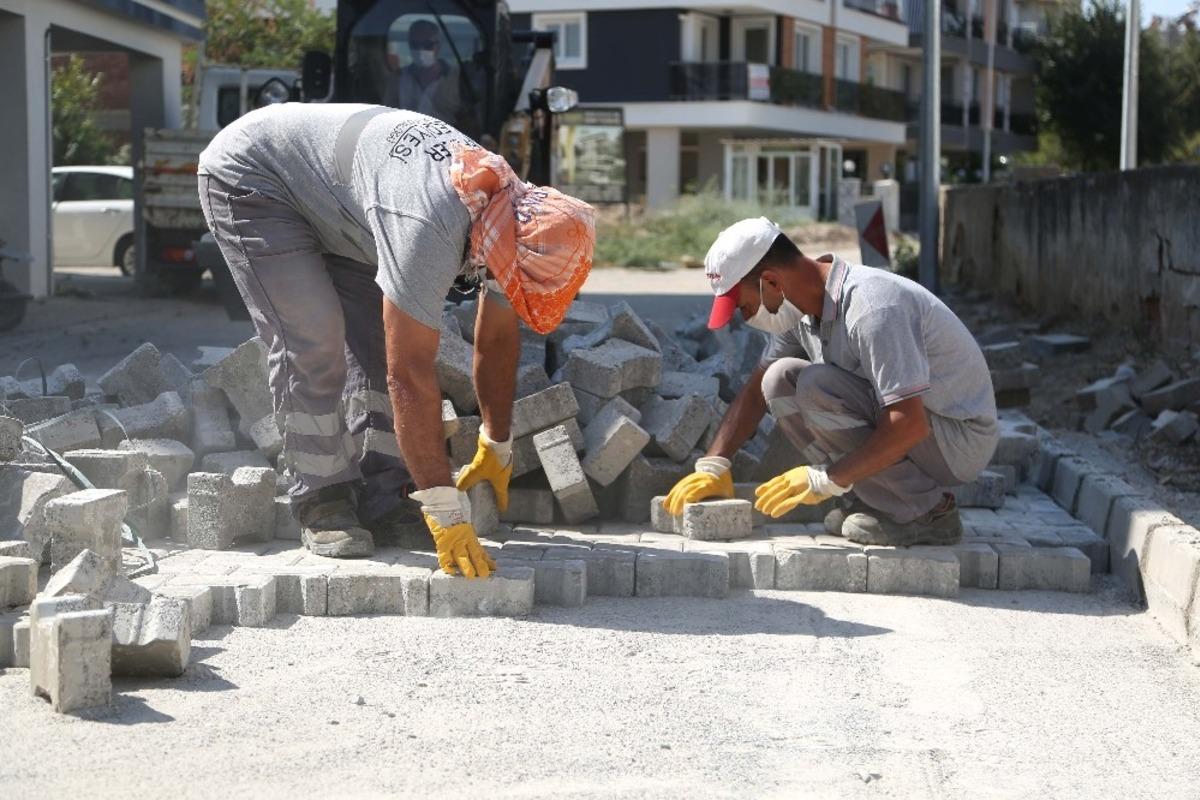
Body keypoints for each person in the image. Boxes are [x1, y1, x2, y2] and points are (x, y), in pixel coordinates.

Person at [197, 103, 594, 575]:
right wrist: (446, 513)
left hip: (345, 198)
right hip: (257, 178)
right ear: (508, 249)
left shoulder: (514, 218)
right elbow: (409, 373)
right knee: (315, 339)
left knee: (375, 339)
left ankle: (387, 495)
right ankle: (322, 499)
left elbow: (496, 338)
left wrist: (497, 439)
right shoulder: (433, 227)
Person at [665, 218, 998, 546]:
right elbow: (757, 388)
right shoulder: (800, 308)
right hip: (916, 425)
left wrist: (826, 480)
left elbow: (908, 423)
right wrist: (714, 464)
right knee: (778, 380)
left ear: (771, 282)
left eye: (744, 306)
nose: (745, 317)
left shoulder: (871, 308)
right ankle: (878, 498)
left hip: (957, 437)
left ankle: (929, 513)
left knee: (816, 386)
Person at [384, 20, 462, 127]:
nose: (421, 50)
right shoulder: (397, 79)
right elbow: (387, 116)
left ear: (438, 46)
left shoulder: (458, 79)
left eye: (427, 45)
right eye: (415, 44)